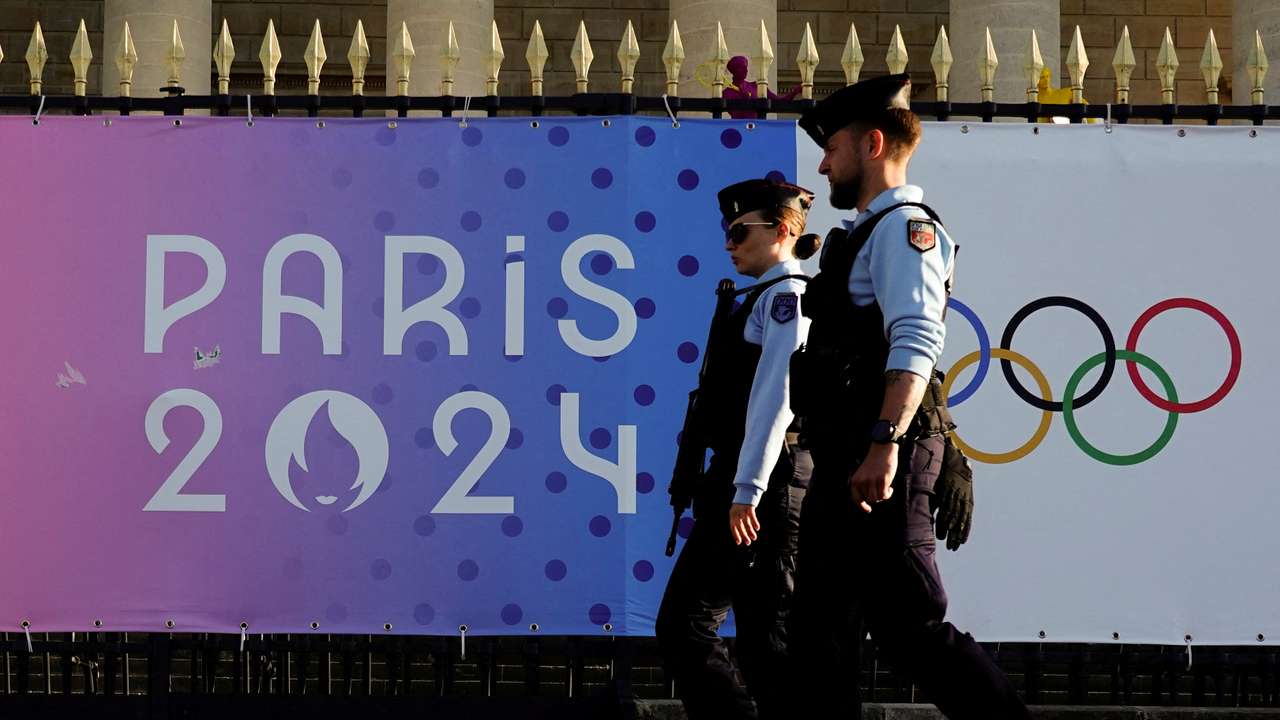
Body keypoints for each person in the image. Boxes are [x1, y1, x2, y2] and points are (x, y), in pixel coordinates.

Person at [786, 73, 1029, 719]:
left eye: (831, 148)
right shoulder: (865, 232)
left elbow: (917, 338)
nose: (822, 164)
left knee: (908, 625)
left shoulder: (903, 230)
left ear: (871, 144)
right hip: (845, 453)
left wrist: (884, 443)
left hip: (876, 454)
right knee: (817, 629)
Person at [656, 178, 821, 720]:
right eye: (727, 230)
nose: (729, 243)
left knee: (748, 639)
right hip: (744, 481)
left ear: (782, 230)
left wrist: (747, 489)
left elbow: (776, 398)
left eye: (740, 231)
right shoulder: (760, 296)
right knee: (727, 636)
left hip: (762, 486)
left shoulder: (786, 298)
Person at [723, 56, 801, 119]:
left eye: (746, 67)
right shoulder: (727, 93)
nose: (746, 70)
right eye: (742, 67)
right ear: (734, 70)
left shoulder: (757, 87)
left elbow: (781, 102)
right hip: (738, 130)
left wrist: (796, 91)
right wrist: (745, 101)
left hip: (758, 128)